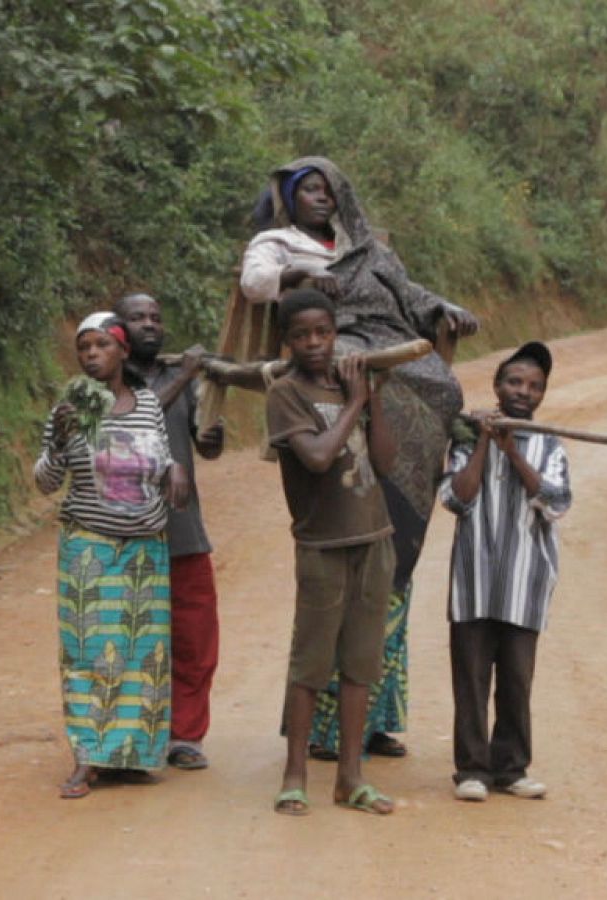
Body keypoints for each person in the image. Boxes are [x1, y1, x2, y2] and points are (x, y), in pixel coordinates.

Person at [241, 156, 480, 761]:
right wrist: (298, 274)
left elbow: (413, 295)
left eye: (327, 190)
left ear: (341, 196)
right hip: (339, 344)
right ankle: (320, 737)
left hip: (390, 342)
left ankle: (374, 721)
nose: (319, 199)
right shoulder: (277, 244)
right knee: (351, 377)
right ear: (291, 200)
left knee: (441, 388)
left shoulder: (371, 250)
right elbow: (256, 284)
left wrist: (446, 308)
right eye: (307, 190)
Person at [34, 312, 188, 798]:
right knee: (85, 656)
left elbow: (160, 459)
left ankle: (132, 756)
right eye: (84, 348)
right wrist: (59, 441)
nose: (92, 355)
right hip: (90, 551)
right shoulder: (71, 406)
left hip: (146, 552)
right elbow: (45, 482)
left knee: (143, 656)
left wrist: (175, 469)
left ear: (122, 352)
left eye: (101, 345)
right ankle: (87, 759)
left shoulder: (146, 403)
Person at [266, 289, 397, 816]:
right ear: (288, 341)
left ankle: (350, 777)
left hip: (374, 538)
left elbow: (385, 463)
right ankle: (295, 775)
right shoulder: (286, 393)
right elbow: (319, 458)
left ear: (336, 331)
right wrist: (356, 403)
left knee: (361, 664)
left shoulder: (351, 385)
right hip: (322, 544)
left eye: (323, 331)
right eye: (302, 335)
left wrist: (375, 396)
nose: (315, 343)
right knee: (311, 664)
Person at [438, 342, 570, 802]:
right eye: (514, 382)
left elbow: (555, 504)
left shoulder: (549, 443)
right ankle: (472, 770)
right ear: (497, 387)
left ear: (542, 396)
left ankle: (511, 768)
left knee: (516, 680)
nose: (523, 391)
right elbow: (457, 498)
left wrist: (512, 452)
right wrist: (481, 445)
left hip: (525, 584)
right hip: (474, 581)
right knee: (470, 678)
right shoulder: (465, 435)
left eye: (534, 386)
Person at [114, 293, 225, 771]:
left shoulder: (184, 382)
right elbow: (137, 420)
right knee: (130, 641)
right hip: (125, 534)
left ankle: (185, 734)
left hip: (182, 531)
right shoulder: (108, 384)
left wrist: (211, 437)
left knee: (194, 639)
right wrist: (186, 376)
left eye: (157, 317)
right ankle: (131, 732)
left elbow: (207, 448)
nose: (150, 325)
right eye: (137, 318)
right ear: (119, 331)